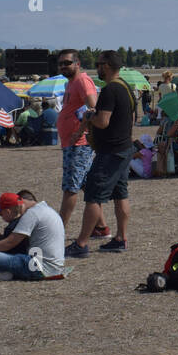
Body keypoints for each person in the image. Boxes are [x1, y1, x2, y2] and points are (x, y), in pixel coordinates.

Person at [66, 50, 136, 257]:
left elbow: (103, 122)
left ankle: (81, 244)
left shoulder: (109, 90)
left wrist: (88, 117)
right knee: (120, 194)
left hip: (110, 152)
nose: (96, 68)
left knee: (94, 197)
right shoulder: (126, 87)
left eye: (98, 64)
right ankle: (120, 238)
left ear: (106, 66)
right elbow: (130, 119)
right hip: (124, 149)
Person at [0, 191, 66, 281]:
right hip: (55, 266)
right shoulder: (46, 209)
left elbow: (10, 242)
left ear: (21, 201)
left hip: (39, 267)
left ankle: (3, 275)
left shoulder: (32, 214)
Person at [56, 49, 101, 236]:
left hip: (79, 144)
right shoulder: (70, 83)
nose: (63, 67)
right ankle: (100, 227)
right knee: (86, 186)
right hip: (72, 143)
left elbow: (93, 108)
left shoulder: (82, 81)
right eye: (61, 64)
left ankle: (56, 232)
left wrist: (79, 132)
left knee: (70, 188)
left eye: (67, 63)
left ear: (77, 63)